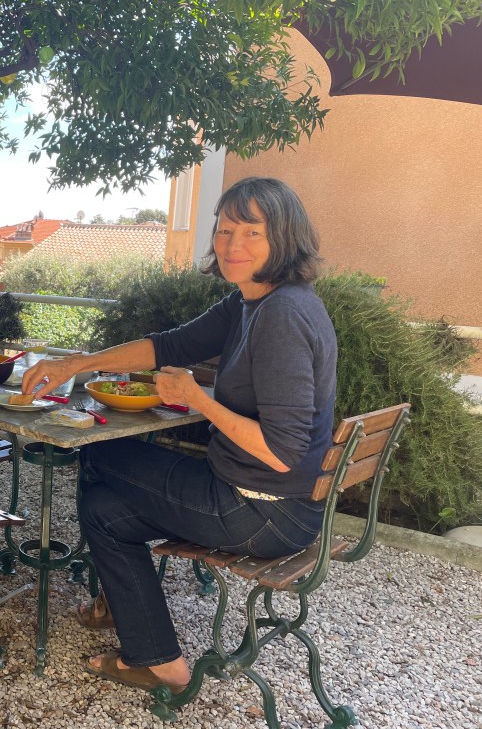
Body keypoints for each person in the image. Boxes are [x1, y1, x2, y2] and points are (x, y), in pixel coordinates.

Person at [20, 176, 337, 694]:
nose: (232, 245)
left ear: (284, 238)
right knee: (103, 507)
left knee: (98, 456)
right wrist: (76, 363)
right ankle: (155, 655)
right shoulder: (253, 302)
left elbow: (281, 452)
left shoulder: (281, 316)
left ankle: (125, 614)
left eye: (252, 232)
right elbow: (168, 346)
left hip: (262, 511)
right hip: (268, 502)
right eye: (225, 230)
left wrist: (197, 400)